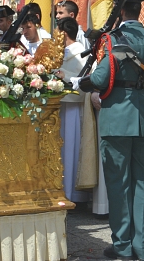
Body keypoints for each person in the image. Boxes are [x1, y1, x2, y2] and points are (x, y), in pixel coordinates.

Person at [73, 0, 144, 261]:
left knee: (118, 182)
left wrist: (79, 83)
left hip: (116, 117)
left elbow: (101, 79)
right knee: (142, 181)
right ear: (139, 11)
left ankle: (123, 246)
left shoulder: (112, 40)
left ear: (121, 11)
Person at [56, 17, 91, 205]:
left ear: (63, 32)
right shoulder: (60, 51)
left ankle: (73, 193)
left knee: (72, 149)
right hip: (61, 104)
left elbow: (86, 77)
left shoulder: (81, 52)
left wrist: (64, 76)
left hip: (75, 106)